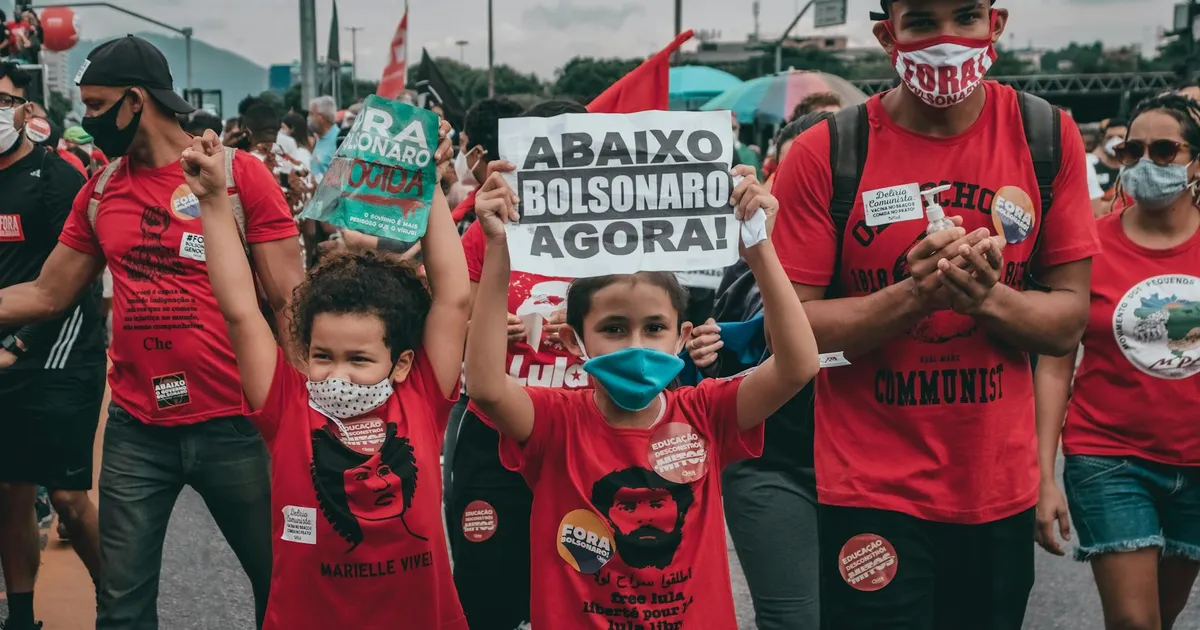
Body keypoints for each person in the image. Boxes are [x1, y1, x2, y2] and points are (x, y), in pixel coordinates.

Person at [770, 0, 1100, 627]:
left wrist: (986, 297)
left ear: (995, 25)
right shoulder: (824, 153)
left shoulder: (1046, 136)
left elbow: (1066, 325)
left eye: (966, 16)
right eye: (921, 20)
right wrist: (913, 296)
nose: (947, 39)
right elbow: (792, 334)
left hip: (996, 488)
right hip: (870, 491)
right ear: (886, 33)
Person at [0, 35, 305, 629]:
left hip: (238, 421)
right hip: (137, 430)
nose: (88, 119)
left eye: (96, 105)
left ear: (136, 101)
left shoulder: (236, 177)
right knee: (121, 606)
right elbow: (47, 293)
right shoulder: (101, 190)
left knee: (282, 586)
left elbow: (289, 300)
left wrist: (304, 418)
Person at [464, 157, 819, 628]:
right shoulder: (555, 421)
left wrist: (760, 250)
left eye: (654, 328)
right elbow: (486, 386)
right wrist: (497, 250)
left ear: (681, 337)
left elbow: (798, 366)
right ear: (573, 340)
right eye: (613, 328)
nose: (636, 345)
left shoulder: (706, 412)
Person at [187, 107, 469, 628]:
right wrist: (211, 201)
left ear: (402, 363)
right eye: (323, 356)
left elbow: (453, 298)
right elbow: (241, 310)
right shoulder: (285, 405)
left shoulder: (422, 396)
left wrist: (426, 181)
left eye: (359, 359)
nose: (338, 373)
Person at [1035, 93, 1200, 630]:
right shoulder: (1088, 246)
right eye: (1133, 151)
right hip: (1109, 459)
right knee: (1134, 621)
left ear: (1196, 162)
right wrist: (1042, 474)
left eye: (1164, 150)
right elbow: (1055, 363)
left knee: (1163, 615)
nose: (1146, 162)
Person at [685, 110, 832, 630]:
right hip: (773, 463)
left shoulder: (885, 259)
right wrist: (702, 352)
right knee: (795, 619)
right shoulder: (735, 259)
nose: (811, 188)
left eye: (825, 174)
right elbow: (698, 360)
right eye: (798, 172)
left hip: (869, 462)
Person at [446, 97, 569, 630]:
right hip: (494, 433)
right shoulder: (487, 229)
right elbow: (455, 324)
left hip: (587, 433)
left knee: (581, 590)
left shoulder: (622, 236)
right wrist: (489, 326)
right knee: (488, 591)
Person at [0, 60, 100, 630]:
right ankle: (20, 617)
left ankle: (123, 607)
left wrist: (19, 342)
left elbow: (75, 278)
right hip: (3, 356)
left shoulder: (58, 177)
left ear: (27, 110)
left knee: (66, 499)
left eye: (3, 100)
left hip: (60, 355)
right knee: (10, 489)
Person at [308, 95, 340, 181]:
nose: (308, 118)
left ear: (321, 117)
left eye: (311, 114)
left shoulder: (339, 140)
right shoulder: (319, 138)